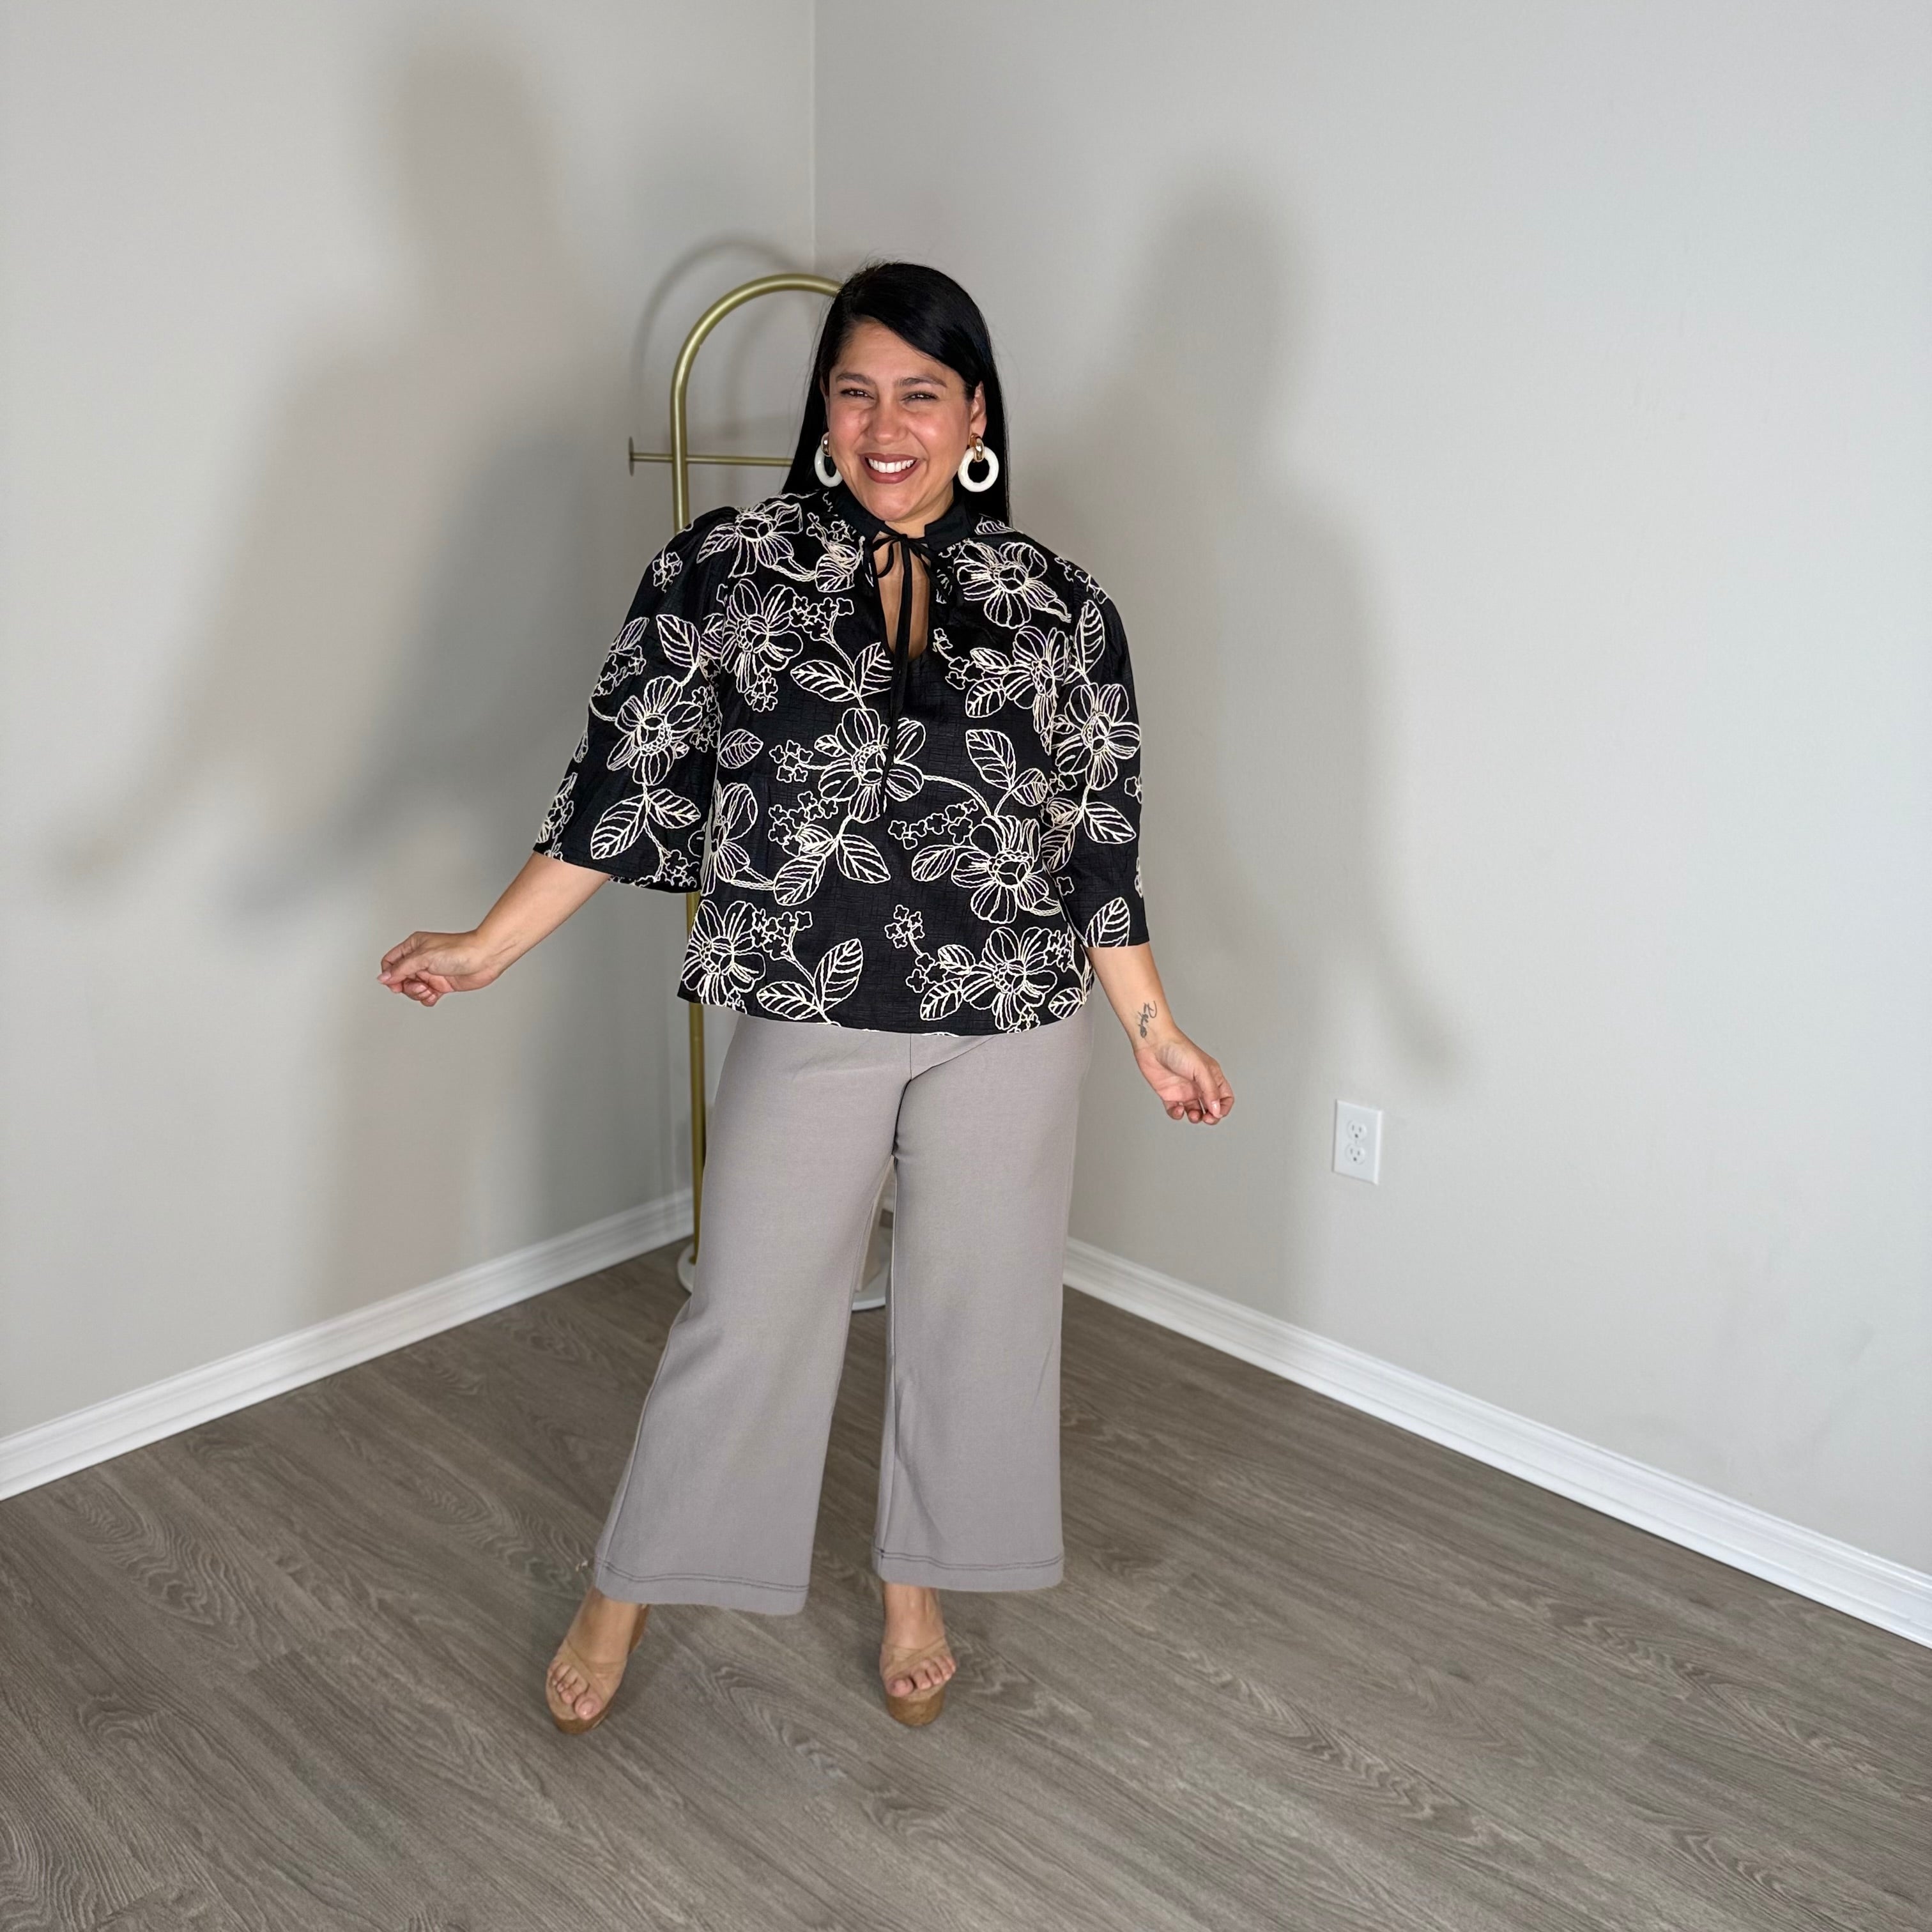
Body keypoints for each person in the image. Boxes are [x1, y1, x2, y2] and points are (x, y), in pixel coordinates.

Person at [378, 261, 1234, 1733]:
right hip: (815, 1003)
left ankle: (918, 1580)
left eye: (920, 392)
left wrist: (1154, 1027)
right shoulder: (730, 566)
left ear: (975, 412)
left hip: (1015, 1015)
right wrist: (487, 945)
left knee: (981, 1316)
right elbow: (623, 780)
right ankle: (624, 1582)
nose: (884, 424)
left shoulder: (1063, 609)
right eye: (855, 390)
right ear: (823, 409)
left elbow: (1100, 841)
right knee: (749, 1314)